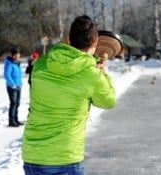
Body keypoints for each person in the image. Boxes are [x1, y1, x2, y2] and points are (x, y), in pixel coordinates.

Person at [22, 15, 116, 175]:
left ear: (68, 39)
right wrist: (104, 74)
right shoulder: (92, 75)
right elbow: (108, 101)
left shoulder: (41, 65)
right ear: (95, 43)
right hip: (65, 158)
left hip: (33, 155)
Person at [3, 49, 23, 127]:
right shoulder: (9, 63)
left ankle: (16, 120)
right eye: (16, 55)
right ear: (13, 55)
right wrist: (13, 84)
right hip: (12, 87)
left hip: (18, 86)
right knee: (13, 103)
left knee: (17, 103)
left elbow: (18, 75)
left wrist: (20, 84)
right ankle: (11, 121)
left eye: (19, 55)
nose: (18, 56)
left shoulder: (18, 63)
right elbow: (6, 75)